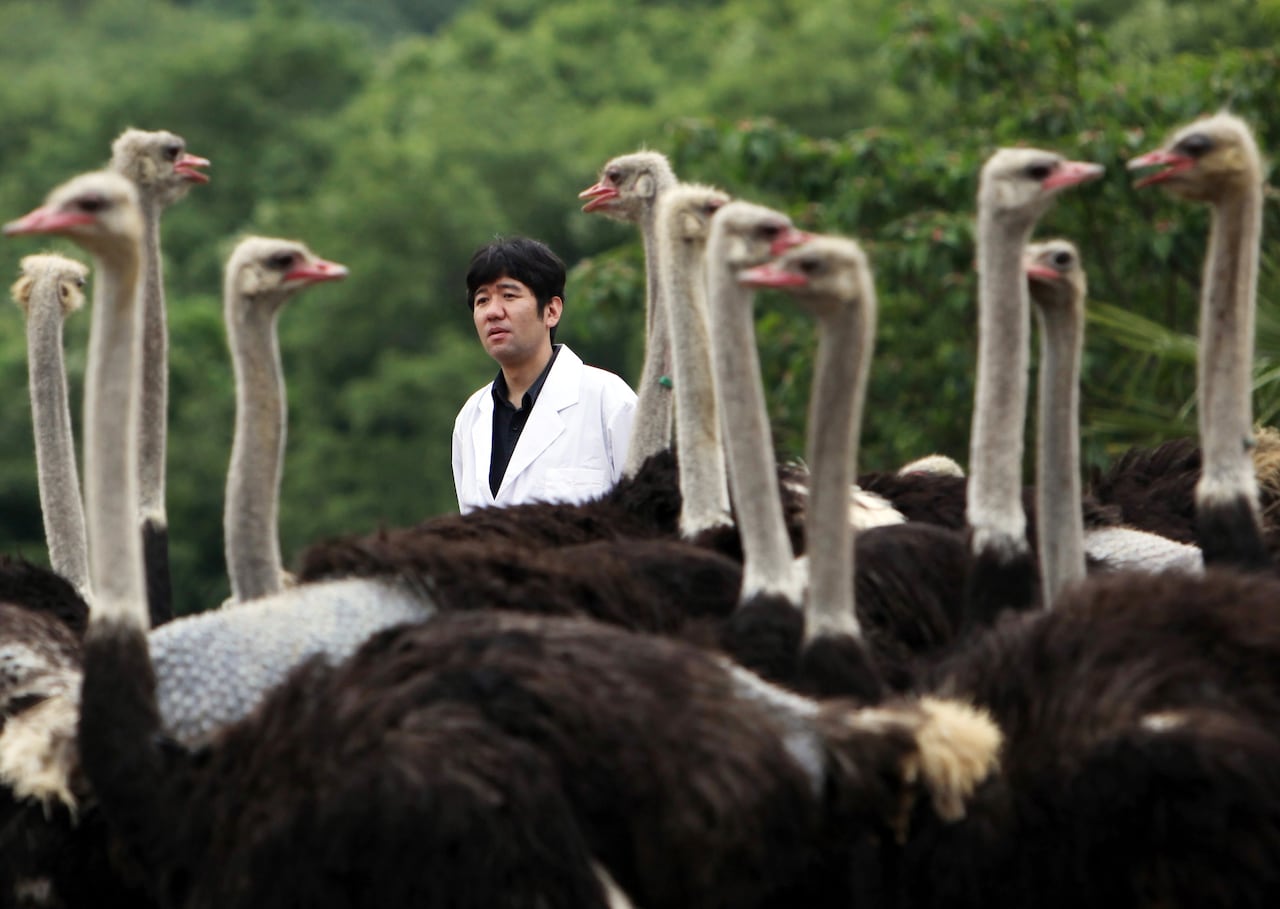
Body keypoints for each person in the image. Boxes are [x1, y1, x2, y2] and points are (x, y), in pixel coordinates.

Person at [451, 236, 637, 513]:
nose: (493, 312)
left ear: (551, 310)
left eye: (509, 296)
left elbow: (650, 521)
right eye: (482, 300)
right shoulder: (470, 419)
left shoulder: (609, 400)